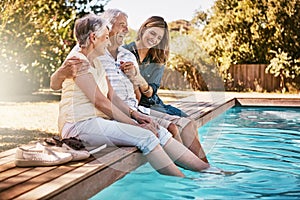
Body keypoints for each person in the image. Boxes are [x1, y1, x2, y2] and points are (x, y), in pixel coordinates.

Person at [56, 13, 209, 177]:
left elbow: (112, 96)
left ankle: (208, 170)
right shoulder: (79, 63)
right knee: (147, 136)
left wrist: (136, 115)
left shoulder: (98, 61)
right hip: (79, 124)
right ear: (93, 38)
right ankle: (183, 182)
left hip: (97, 121)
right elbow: (101, 102)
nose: (109, 42)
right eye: (106, 38)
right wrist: (136, 124)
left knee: (160, 131)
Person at [123, 16, 188, 117]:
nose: (154, 40)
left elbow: (150, 93)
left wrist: (138, 78)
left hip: (154, 104)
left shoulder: (158, 59)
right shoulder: (124, 52)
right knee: (179, 125)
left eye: (159, 38)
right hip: (134, 106)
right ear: (144, 29)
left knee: (189, 121)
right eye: (152, 33)